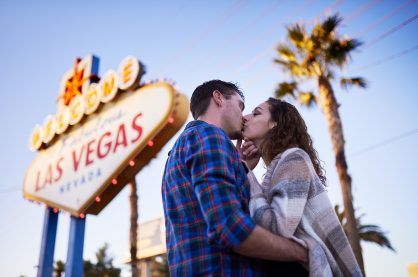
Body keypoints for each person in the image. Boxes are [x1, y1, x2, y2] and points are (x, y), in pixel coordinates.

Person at [161, 80, 308, 276]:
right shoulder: (209, 135)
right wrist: (303, 253)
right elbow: (229, 228)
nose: (244, 117)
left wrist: (241, 167)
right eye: (241, 106)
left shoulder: (179, 150)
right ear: (218, 98)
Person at [241, 97, 362, 277]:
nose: (245, 117)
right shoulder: (279, 166)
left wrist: (245, 172)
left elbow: (278, 227)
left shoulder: (294, 158)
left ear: (275, 123)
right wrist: (247, 169)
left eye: (256, 113)